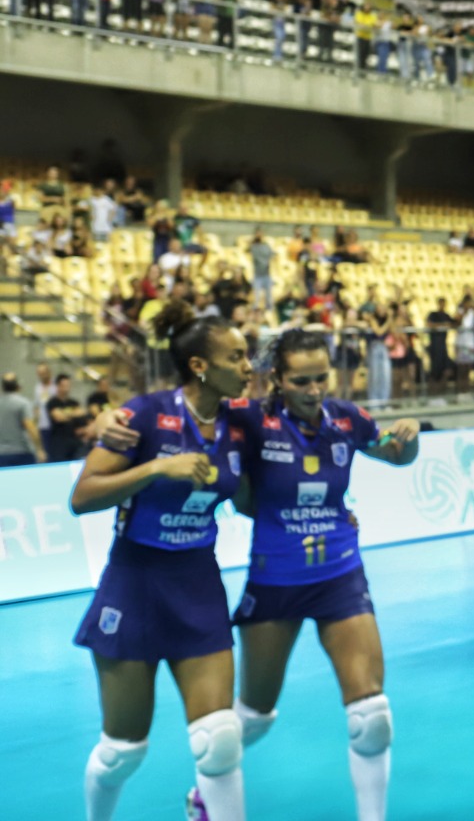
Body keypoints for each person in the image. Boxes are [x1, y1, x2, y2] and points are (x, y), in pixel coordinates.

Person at [177, 329, 417, 821]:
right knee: (254, 716)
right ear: (279, 381)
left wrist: (409, 436)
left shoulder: (346, 420)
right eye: (301, 381)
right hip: (275, 582)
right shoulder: (250, 419)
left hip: (341, 577)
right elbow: (187, 409)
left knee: (371, 718)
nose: (313, 390)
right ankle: (206, 789)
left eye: (321, 378)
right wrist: (107, 417)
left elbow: (395, 452)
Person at [68, 301, 253, 821]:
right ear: (200, 365)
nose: (247, 367)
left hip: (198, 584)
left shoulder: (241, 423)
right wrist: (157, 468)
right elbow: (82, 496)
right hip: (135, 584)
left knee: (220, 739)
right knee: (123, 751)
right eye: (236, 357)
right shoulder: (146, 415)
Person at [0, 371, 46, 465]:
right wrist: (40, 449)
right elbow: (30, 427)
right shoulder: (22, 403)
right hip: (21, 453)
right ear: (18, 386)